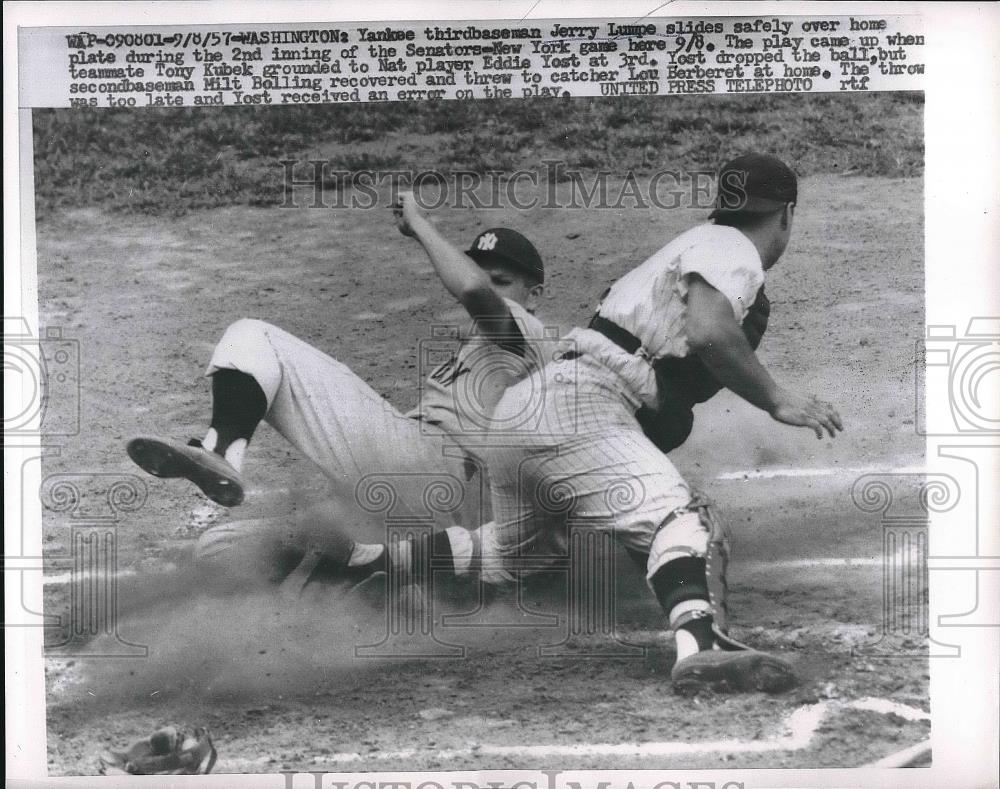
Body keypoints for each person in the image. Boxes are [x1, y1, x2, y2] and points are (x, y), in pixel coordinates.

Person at [356, 153, 842, 693]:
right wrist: (776, 398)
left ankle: (365, 565)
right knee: (683, 519)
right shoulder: (735, 249)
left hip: (530, 411)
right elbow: (708, 332)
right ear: (786, 215)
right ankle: (702, 647)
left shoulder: (695, 241)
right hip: (586, 405)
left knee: (514, 552)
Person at [126, 193, 550, 582]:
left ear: (534, 296)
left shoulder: (529, 334)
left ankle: (221, 452)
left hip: (432, 476)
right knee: (218, 551)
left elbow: (473, 289)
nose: (488, 286)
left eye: (502, 281)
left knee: (254, 335)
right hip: (418, 508)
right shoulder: (490, 351)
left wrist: (419, 224)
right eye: (484, 274)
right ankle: (355, 583)